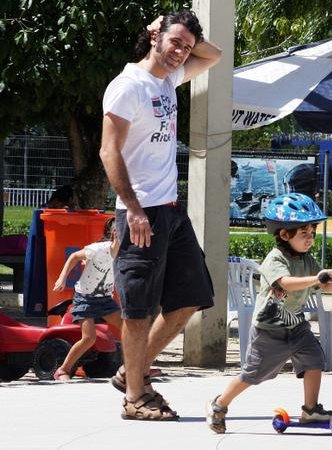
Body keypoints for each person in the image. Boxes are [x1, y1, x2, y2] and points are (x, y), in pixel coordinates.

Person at [99, 11, 222, 420]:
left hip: (171, 209)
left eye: (186, 47)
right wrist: (132, 209)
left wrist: (181, 35)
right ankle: (136, 397)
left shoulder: (168, 79)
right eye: (175, 42)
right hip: (139, 212)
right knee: (138, 311)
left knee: (191, 298)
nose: (182, 52)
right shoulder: (128, 86)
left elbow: (214, 55)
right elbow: (108, 151)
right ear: (155, 37)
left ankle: (130, 373)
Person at [206, 193, 332, 434]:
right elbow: (286, 283)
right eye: (304, 234)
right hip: (269, 329)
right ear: (284, 234)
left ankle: (310, 410)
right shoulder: (275, 259)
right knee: (253, 374)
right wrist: (317, 278)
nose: (309, 239)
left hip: (296, 326)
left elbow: (326, 285)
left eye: (312, 233)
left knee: (314, 360)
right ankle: (219, 405)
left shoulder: (307, 260)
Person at [51, 217, 122, 380]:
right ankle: (63, 370)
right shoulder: (99, 249)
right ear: (115, 234)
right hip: (85, 298)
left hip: (105, 300)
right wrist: (62, 278)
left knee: (130, 330)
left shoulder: (126, 254)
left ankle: (140, 367)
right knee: (89, 338)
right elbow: (74, 256)